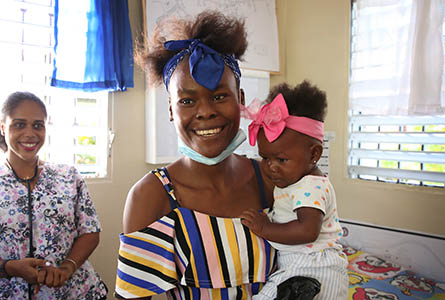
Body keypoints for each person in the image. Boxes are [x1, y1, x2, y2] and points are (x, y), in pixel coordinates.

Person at [115, 11, 276, 300]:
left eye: (218, 96)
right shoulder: (151, 196)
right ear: (170, 109)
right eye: (187, 101)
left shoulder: (269, 180)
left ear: (239, 99)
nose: (205, 112)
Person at [0, 91, 108, 300]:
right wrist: (12, 268)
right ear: (2, 127)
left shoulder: (69, 177)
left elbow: (90, 232)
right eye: (19, 124)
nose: (30, 133)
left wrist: (66, 268)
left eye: (37, 125)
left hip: (78, 293)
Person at [239, 81, 348, 299]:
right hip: (304, 264)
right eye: (265, 157)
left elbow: (307, 230)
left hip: (313, 267)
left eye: (281, 159)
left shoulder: (310, 185)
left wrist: (264, 227)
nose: (271, 166)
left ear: (314, 154)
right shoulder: (297, 181)